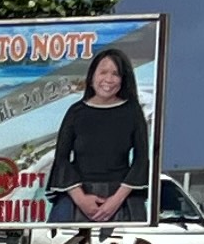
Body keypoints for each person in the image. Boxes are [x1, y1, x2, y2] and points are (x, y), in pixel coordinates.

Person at [47, 47, 149, 226]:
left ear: (123, 79)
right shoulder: (76, 112)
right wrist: (81, 200)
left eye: (115, 74)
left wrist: (114, 202)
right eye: (103, 72)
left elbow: (141, 160)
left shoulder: (133, 112)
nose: (108, 79)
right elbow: (61, 159)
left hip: (121, 200)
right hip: (77, 197)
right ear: (92, 76)